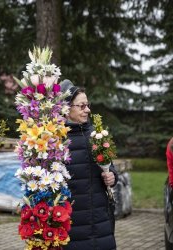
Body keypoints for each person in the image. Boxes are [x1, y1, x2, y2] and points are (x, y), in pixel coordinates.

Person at [60, 79, 118, 250]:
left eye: (87, 104)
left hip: (100, 215)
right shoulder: (57, 139)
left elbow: (109, 165)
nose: (88, 110)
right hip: (73, 218)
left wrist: (112, 176)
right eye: (82, 106)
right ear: (67, 108)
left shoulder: (97, 135)